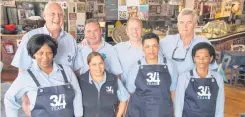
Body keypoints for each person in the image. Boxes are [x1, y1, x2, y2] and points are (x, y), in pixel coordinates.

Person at [4, 34, 83, 117]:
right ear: (33, 54)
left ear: (54, 53)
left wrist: (79, 115)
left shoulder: (67, 71)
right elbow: (9, 98)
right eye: (40, 53)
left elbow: (77, 94)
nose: (45, 57)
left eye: (49, 53)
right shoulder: (26, 77)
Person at [11, 1, 83, 72]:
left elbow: (76, 69)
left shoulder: (70, 39)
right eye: (52, 14)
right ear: (44, 16)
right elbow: (22, 68)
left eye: (60, 14)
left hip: (66, 82)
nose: (57, 17)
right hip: (38, 83)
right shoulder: (29, 37)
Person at [126, 32, 177, 117]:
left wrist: (174, 112)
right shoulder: (135, 67)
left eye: (154, 46)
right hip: (140, 112)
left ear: (158, 47)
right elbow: (131, 93)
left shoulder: (170, 65)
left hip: (163, 111)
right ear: (143, 48)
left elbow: (173, 91)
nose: (151, 50)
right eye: (147, 46)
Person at [160, 8, 217, 75]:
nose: (185, 26)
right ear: (178, 25)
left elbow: (213, 70)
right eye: (181, 22)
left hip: (193, 83)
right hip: (169, 83)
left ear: (195, 25)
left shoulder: (204, 43)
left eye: (189, 22)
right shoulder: (166, 41)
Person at [174, 42, 224, 117]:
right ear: (194, 58)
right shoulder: (184, 77)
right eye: (198, 57)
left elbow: (220, 103)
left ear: (211, 58)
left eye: (205, 57)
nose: (201, 60)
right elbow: (178, 103)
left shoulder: (218, 78)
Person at [78, 52, 129, 117]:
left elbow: (124, 99)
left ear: (104, 63)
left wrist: (118, 116)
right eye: (94, 64)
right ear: (89, 65)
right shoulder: (81, 80)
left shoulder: (114, 80)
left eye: (100, 63)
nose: (98, 67)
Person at [114, 18, 144, 85]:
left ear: (142, 30)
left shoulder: (150, 48)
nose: (134, 31)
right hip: (125, 92)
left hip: (146, 92)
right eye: (131, 28)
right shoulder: (118, 48)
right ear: (127, 31)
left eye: (137, 28)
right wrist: (87, 41)